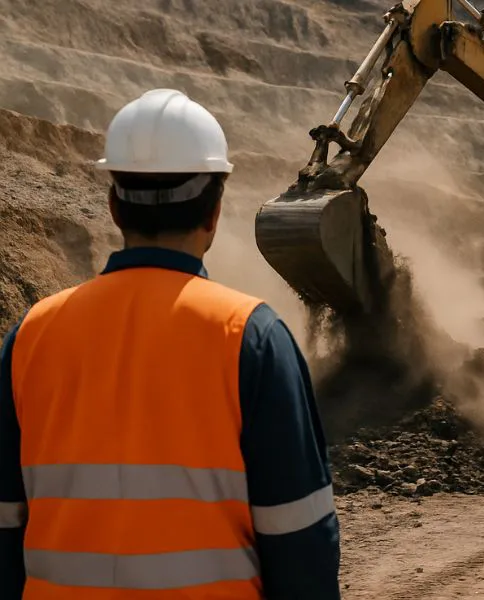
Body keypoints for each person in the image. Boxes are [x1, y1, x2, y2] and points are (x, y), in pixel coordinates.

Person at [0, 89, 342, 598]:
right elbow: (301, 545)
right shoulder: (253, 338)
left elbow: (5, 534)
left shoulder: (30, 336)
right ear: (215, 211)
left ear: (115, 207)